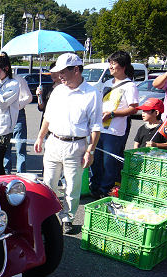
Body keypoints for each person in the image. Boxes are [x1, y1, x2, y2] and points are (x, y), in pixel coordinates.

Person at [34, 53, 102, 234]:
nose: (60, 76)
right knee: (48, 183)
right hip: (54, 141)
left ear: (77, 70)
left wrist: (91, 150)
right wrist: (40, 137)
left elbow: (96, 126)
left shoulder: (92, 93)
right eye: (59, 72)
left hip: (76, 145)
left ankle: (68, 217)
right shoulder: (58, 91)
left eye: (64, 72)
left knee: (72, 185)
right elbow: (47, 117)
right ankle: (47, 217)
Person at [90, 51, 139, 199]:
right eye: (109, 63)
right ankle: (95, 187)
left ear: (123, 66)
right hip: (100, 129)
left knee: (109, 163)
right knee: (96, 160)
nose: (110, 66)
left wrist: (113, 114)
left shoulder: (130, 86)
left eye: (113, 63)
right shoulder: (106, 83)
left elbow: (134, 108)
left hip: (115, 131)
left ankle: (106, 191)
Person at [0, 52, 32, 174]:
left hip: (18, 115)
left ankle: (21, 174)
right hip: (3, 115)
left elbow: (29, 97)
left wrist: (16, 105)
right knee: (5, 148)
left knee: (20, 147)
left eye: (2, 59)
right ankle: (7, 174)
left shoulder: (18, 79)